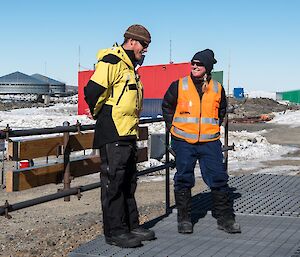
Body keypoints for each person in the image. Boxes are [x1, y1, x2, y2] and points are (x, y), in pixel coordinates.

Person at [84, 24, 155, 248]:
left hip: (127, 132)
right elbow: (92, 91)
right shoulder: (112, 62)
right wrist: (100, 114)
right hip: (113, 131)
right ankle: (115, 232)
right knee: (114, 183)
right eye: (144, 45)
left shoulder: (129, 67)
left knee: (128, 182)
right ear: (131, 41)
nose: (145, 50)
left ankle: (130, 226)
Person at [162, 49, 241, 234]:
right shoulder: (179, 85)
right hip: (183, 141)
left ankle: (225, 219)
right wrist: (171, 128)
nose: (195, 67)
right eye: (193, 63)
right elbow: (167, 106)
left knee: (219, 178)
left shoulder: (217, 88)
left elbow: (221, 111)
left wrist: (213, 128)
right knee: (183, 178)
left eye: (199, 64)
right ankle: (184, 220)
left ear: (208, 68)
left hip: (209, 142)